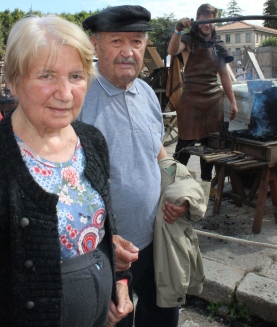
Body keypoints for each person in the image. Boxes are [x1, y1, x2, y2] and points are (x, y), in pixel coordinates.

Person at [0, 15, 133, 327]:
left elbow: (99, 230)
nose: (65, 93)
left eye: (75, 76)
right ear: (16, 80)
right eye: (47, 75)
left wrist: (119, 281)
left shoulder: (92, 141)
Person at [79, 5, 189, 327]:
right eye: (116, 41)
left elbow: (157, 153)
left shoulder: (146, 93)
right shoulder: (77, 98)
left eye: (137, 41)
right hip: (103, 251)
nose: (129, 52)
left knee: (163, 318)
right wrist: (102, 243)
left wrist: (177, 189)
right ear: (94, 45)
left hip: (155, 240)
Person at [167, 3, 238, 192]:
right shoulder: (188, 40)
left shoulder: (219, 46)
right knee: (184, 145)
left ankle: (207, 187)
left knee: (209, 148)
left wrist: (232, 101)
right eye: (204, 20)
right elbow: (172, 51)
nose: (207, 24)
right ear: (198, 20)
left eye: (211, 20)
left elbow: (224, 76)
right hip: (190, 100)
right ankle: (174, 184)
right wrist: (178, 30)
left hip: (214, 101)